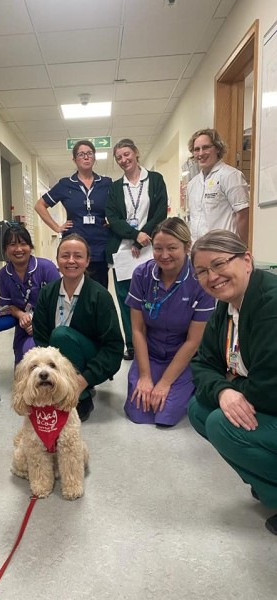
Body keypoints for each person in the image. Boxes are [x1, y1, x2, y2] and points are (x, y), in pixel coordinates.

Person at [188, 230, 277, 535]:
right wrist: (224, 388)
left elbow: (268, 391)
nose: (212, 277)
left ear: (247, 260)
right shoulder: (227, 308)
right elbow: (201, 364)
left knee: (220, 424)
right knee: (199, 410)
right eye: (202, 271)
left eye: (219, 264)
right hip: (265, 397)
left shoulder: (271, 304)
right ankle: (268, 482)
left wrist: (228, 385)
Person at [125, 217, 215, 426]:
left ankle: (190, 384)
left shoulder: (200, 280)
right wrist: (145, 377)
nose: (164, 255)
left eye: (172, 248)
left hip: (183, 354)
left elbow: (193, 341)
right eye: (158, 248)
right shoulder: (142, 275)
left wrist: (165, 382)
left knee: (166, 414)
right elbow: (137, 330)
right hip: (150, 352)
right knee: (140, 410)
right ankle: (149, 376)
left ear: (187, 247)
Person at [32, 234, 124, 422]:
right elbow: (40, 337)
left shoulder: (100, 296)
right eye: (65, 255)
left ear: (88, 261)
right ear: (57, 260)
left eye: (78, 256)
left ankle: (80, 396)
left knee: (61, 335)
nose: (71, 261)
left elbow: (113, 348)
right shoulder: (47, 292)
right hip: (55, 362)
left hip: (89, 360)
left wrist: (84, 380)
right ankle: (56, 389)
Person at [106, 138, 168, 361]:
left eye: (126, 154)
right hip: (123, 251)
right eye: (119, 157)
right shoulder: (115, 187)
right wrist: (134, 235)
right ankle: (132, 344)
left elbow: (161, 211)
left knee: (153, 296)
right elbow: (112, 217)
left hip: (150, 249)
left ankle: (154, 342)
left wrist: (143, 237)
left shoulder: (155, 180)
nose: (124, 160)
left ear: (136, 153)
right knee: (126, 301)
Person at [34, 140, 112, 288]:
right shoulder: (65, 184)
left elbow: (119, 206)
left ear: (94, 158)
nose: (86, 157)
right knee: (75, 288)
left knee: (100, 289)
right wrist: (57, 227)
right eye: (81, 154)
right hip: (74, 245)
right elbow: (40, 205)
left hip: (99, 245)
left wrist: (113, 222)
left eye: (89, 153)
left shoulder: (106, 183)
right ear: (74, 159)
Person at [0, 224, 60, 365]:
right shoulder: (3, 274)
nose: (18, 249)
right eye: (12, 244)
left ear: (30, 247)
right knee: (22, 365)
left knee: (42, 357)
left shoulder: (46, 267)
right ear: (5, 249)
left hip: (50, 323)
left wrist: (37, 322)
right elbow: (9, 305)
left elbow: (59, 302)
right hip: (24, 325)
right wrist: (22, 315)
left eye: (23, 244)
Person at [186, 128, 249, 244]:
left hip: (224, 249)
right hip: (198, 250)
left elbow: (243, 215)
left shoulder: (231, 175)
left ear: (217, 148)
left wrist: (244, 247)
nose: (201, 153)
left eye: (206, 147)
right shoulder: (192, 184)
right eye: (196, 149)